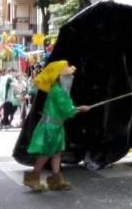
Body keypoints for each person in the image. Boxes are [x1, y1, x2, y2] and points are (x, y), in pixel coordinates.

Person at [23, 61, 91, 192]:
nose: (71, 77)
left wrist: (76, 109)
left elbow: (65, 109)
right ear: (60, 77)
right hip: (50, 127)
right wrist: (79, 109)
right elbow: (66, 110)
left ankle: (56, 179)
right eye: (68, 75)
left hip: (57, 127)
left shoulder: (60, 91)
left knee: (56, 153)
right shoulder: (58, 92)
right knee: (46, 153)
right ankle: (33, 178)